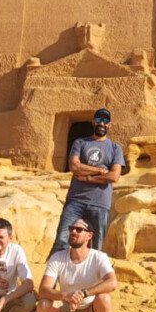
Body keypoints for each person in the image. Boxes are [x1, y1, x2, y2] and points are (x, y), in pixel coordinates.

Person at [50, 107, 123, 254]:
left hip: (100, 203)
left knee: (96, 247)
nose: (102, 123)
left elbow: (114, 176)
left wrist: (87, 177)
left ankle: (92, 277)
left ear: (109, 125)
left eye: (105, 120)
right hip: (76, 200)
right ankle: (53, 276)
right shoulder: (80, 143)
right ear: (93, 122)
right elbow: (74, 166)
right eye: (98, 119)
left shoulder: (115, 148)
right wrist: (99, 170)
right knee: (62, 241)